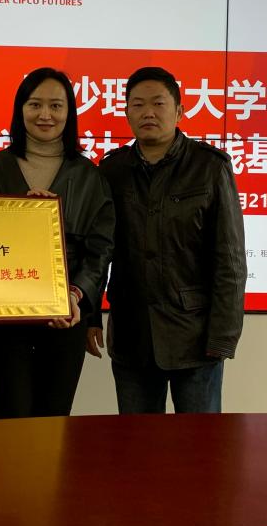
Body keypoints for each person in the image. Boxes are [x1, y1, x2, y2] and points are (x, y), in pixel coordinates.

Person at [92, 66, 245, 414]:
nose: (148, 112)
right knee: (138, 443)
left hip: (195, 338)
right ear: (127, 112)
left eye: (158, 103)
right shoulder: (112, 170)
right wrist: (90, 317)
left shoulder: (209, 167)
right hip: (132, 335)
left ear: (179, 111)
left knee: (200, 443)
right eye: (137, 104)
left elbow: (230, 259)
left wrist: (223, 336)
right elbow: (99, 250)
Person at [0, 67, 115, 419]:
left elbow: (100, 250)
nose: (45, 114)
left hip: (65, 317)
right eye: (35, 104)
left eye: (56, 105)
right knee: (10, 421)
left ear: (69, 113)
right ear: (20, 110)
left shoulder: (89, 175)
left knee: (54, 423)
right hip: (5, 319)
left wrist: (75, 295)